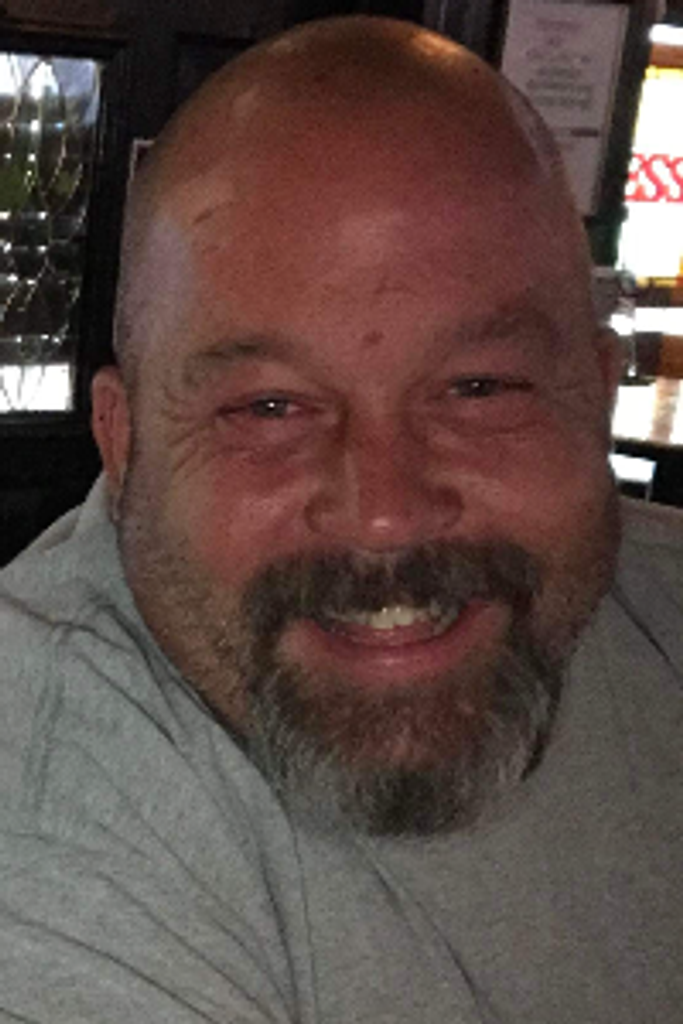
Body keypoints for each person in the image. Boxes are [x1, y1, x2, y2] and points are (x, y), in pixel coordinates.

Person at [0, 15, 681, 1022]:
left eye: (479, 388)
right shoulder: (42, 809)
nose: (386, 516)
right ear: (123, 439)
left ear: (593, 392)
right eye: (269, 407)